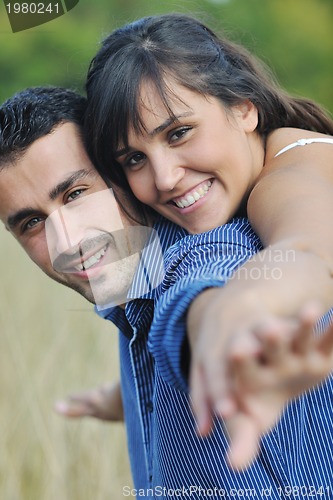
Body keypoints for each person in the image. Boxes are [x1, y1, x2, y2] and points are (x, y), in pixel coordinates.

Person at [1, 88, 332, 496]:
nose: (66, 241)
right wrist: (120, 398)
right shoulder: (130, 292)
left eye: (75, 195)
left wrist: (226, 335)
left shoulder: (213, 256)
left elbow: (204, 297)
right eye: (32, 222)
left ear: (123, 173)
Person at [83, 11, 333, 475]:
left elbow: (307, 251)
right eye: (134, 159)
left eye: (179, 133)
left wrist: (236, 311)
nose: (165, 177)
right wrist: (115, 398)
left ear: (243, 107)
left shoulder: (290, 175)